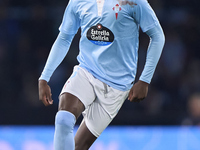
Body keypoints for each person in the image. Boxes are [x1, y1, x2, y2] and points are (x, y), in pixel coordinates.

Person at [38, 0, 165, 149]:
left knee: (79, 146)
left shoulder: (134, 2)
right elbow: (64, 38)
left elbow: (157, 36)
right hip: (87, 70)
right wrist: (44, 78)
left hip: (118, 84)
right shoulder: (77, 2)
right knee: (63, 119)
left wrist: (144, 80)